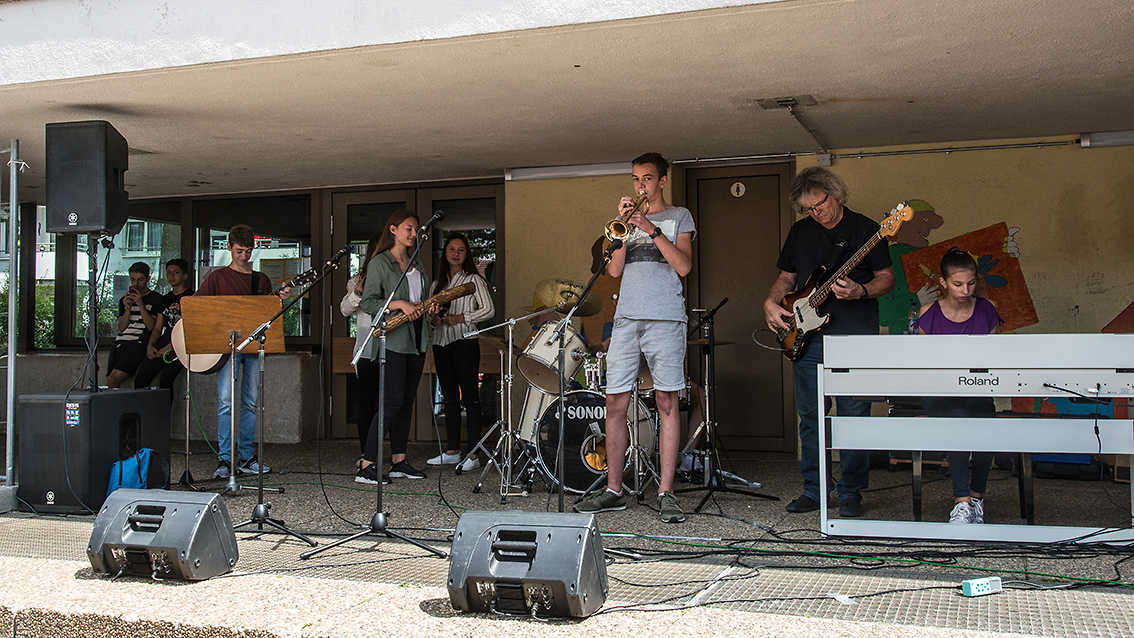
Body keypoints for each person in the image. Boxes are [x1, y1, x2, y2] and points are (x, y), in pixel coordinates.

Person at [763, 167, 895, 518]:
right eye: (807, 209)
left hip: (855, 337)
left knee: (855, 413)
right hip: (808, 338)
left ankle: (851, 492)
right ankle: (815, 489)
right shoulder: (800, 231)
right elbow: (787, 277)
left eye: (819, 205)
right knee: (811, 416)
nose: (815, 213)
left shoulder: (868, 230)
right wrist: (771, 302)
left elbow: (887, 279)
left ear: (835, 194)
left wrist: (860, 290)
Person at [574, 152, 695, 524]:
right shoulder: (626, 222)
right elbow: (613, 271)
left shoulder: (679, 217)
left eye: (647, 178)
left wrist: (652, 229)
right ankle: (614, 490)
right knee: (614, 402)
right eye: (636, 179)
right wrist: (624, 228)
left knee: (666, 401)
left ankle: (666, 492)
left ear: (662, 180)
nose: (640, 185)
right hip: (626, 319)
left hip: (665, 318)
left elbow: (684, 266)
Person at [917, 247, 1003, 524]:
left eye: (971, 283)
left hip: (977, 389)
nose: (965, 290)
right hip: (941, 393)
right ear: (943, 282)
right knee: (959, 422)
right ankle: (962, 501)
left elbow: (997, 355)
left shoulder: (988, 309)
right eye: (958, 284)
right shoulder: (929, 312)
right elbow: (922, 361)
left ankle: (976, 498)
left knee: (986, 429)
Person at [197, 225, 290, 479]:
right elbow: (198, 307)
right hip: (226, 347)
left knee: (250, 402)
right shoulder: (217, 278)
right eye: (239, 251)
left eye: (248, 251)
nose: (244, 256)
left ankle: (247, 457)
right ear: (229, 247)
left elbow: (268, 315)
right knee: (226, 403)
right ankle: (225, 459)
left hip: (253, 346)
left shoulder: (261, 280)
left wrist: (278, 300)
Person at [355, 209, 431, 485]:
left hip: (417, 338)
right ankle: (367, 463)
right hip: (394, 339)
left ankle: (399, 460)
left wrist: (429, 307)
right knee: (391, 401)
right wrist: (399, 304)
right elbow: (368, 302)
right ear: (393, 230)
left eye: (416, 230)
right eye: (408, 228)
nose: (413, 234)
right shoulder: (380, 263)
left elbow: (420, 298)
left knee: (407, 401)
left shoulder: (416, 262)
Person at [426, 234, 495, 472]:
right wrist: (435, 319)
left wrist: (460, 318)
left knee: (471, 399)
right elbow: (431, 320)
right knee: (449, 398)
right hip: (441, 343)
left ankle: (473, 454)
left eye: (461, 250)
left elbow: (488, 310)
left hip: (465, 342)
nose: (456, 254)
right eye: (452, 249)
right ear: (445, 252)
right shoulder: (437, 284)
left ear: (467, 254)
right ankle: (452, 451)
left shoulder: (473, 279)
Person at [341, 233, 383, 473]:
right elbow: (344, 309)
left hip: (392, 345)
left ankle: (392, 452)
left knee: (388, 402)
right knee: (366, 402)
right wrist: (358, 290)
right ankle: (367, 454)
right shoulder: (357, 279)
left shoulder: (396, 276)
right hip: (366, 348)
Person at [134, 258, 194, 395]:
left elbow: (190, 328)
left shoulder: (192, 297)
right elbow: (157, 327)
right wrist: (151, 345)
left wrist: (168, 348)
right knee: (142, 375)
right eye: (169, 272)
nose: (172, 276)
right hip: (166, 337)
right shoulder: (165, 299)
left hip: (183, 343)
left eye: (176, 272)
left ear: (185, 275)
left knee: (166, 378)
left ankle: (165, 409)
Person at [107, 261, 164, 389]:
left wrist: (140, 304)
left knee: (113, 379)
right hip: (120, 344)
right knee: (111, 380)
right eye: (133, 280)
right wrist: (127, 308)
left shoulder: (156, 299)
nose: (136, 284)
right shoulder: (124, 299)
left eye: (140, 280)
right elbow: (122, 327)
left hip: (138, 344)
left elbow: (151, 327)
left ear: (148, 279)